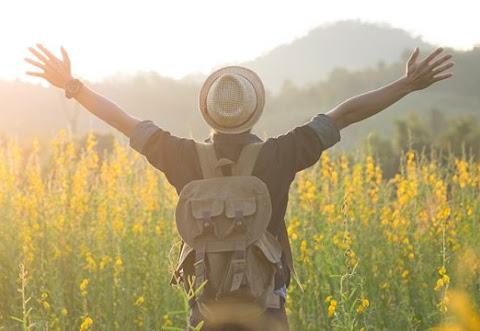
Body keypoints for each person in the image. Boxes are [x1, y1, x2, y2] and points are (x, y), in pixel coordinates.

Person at [25, 44, 454, 330]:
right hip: (266, 310)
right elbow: (344, 114)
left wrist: (73, 86)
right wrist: (407, 84)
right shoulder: (281, 154)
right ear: (255, 110)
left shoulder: (181, 155)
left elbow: (122, 120)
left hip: (207, 310)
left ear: (208, 113)